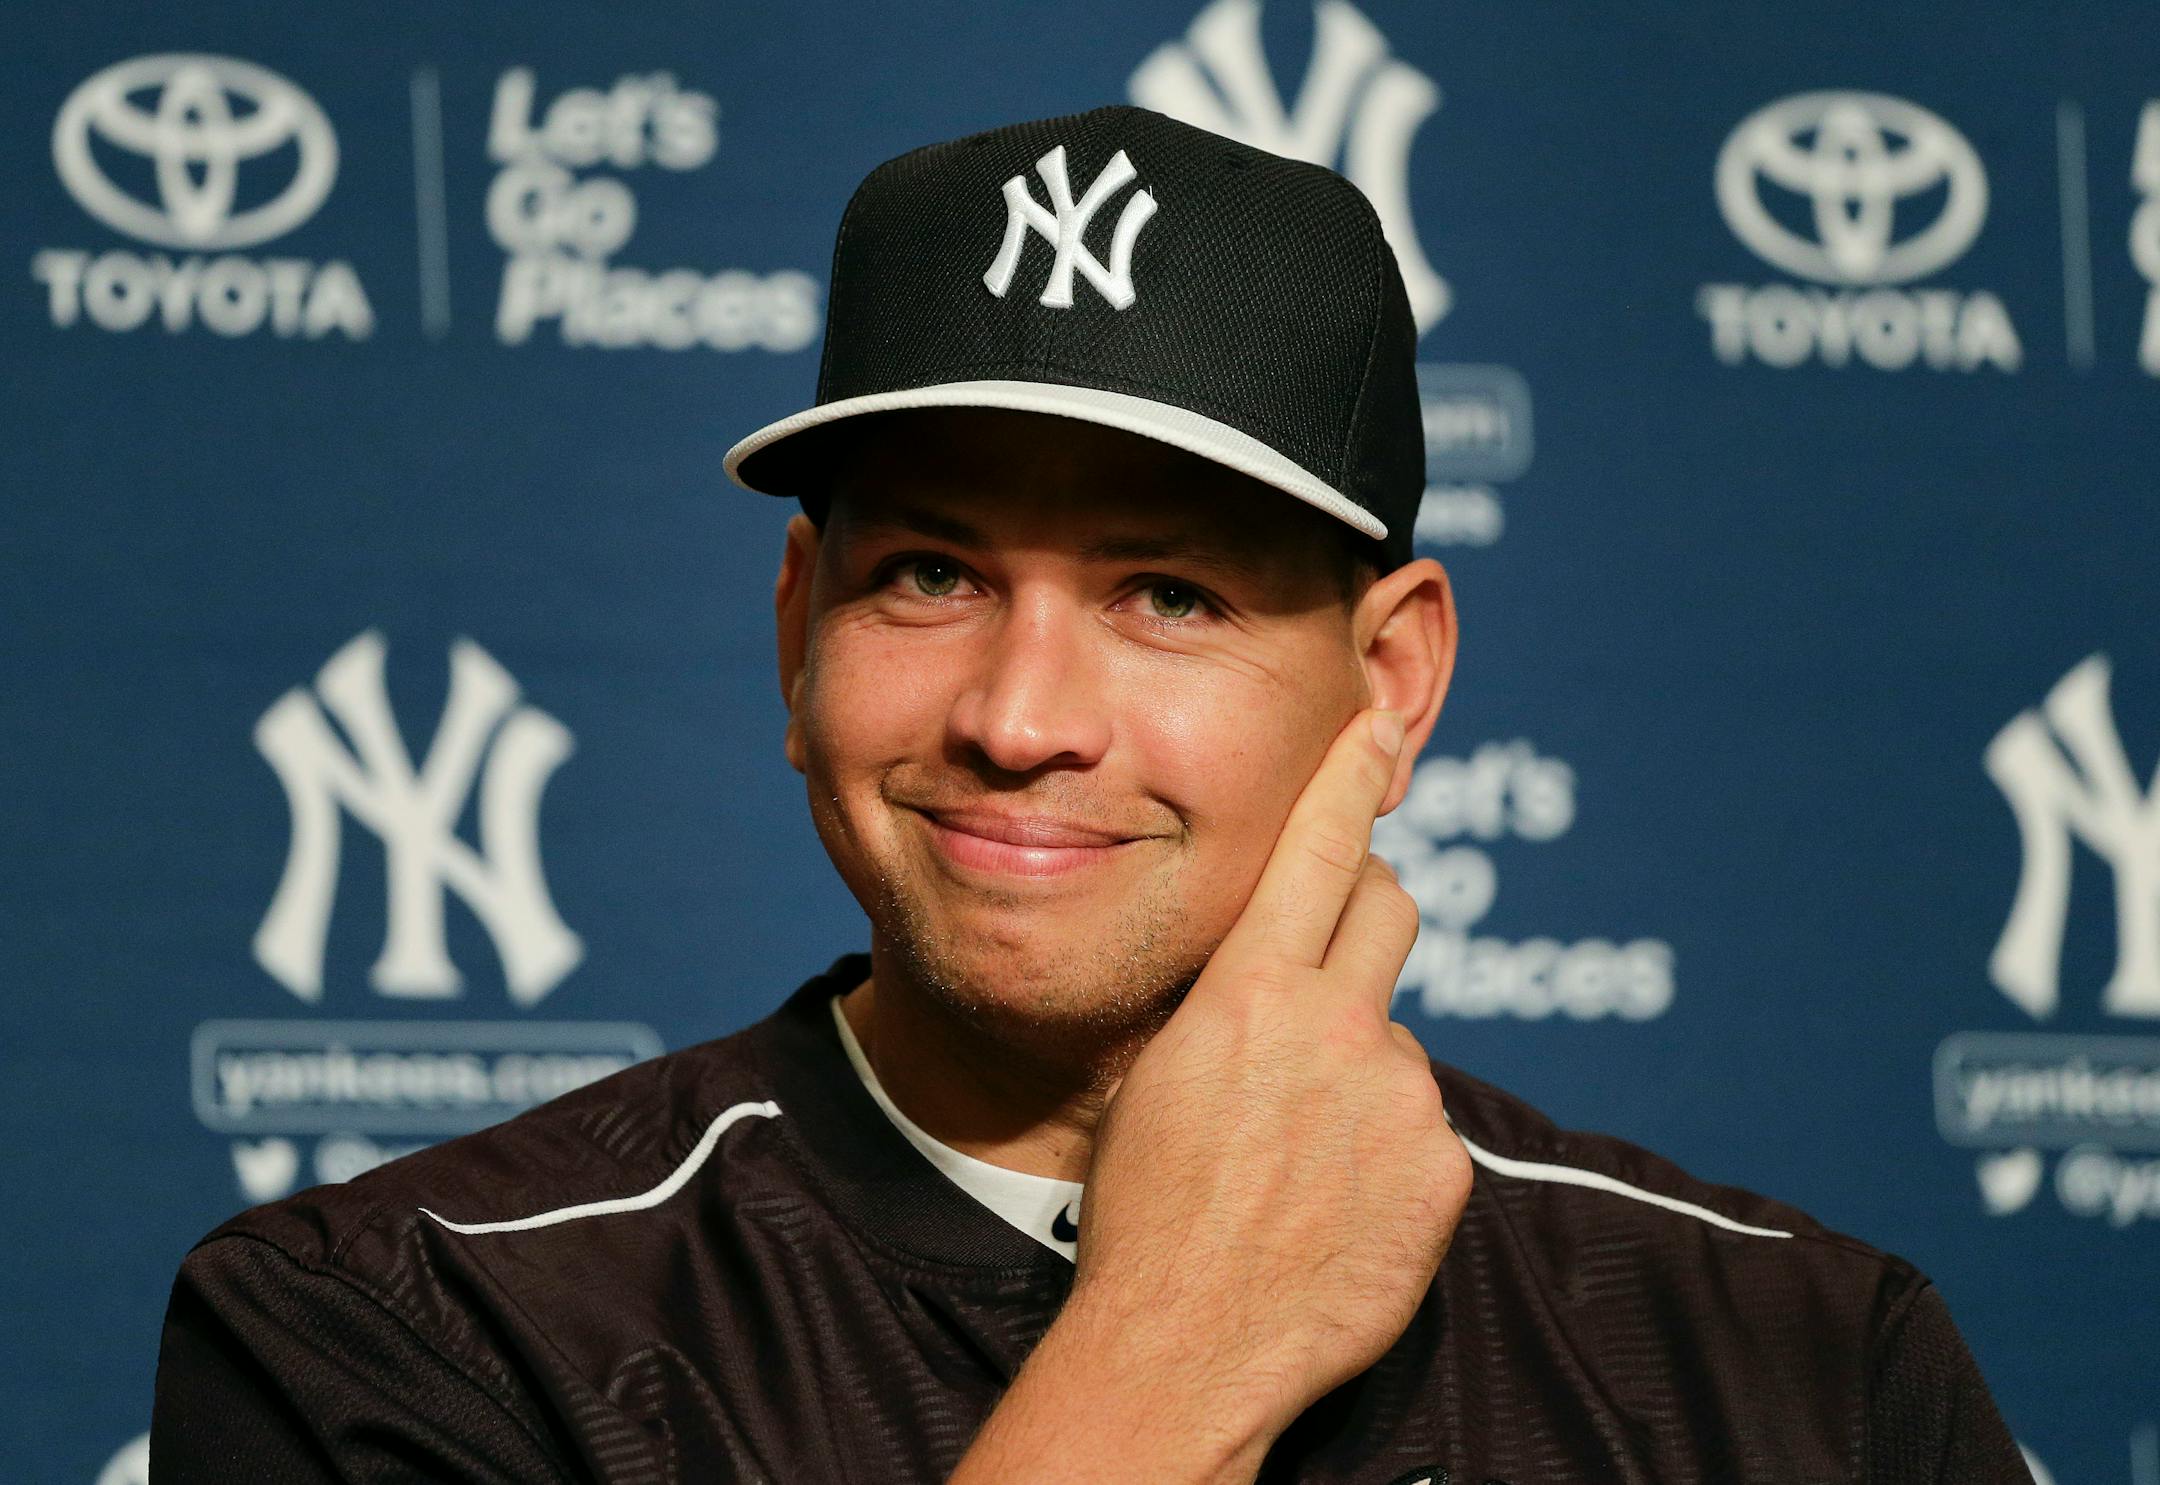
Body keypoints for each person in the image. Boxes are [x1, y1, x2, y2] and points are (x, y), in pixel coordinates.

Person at [151, 105, 2027, 1483]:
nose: (1021, 714)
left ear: (1391, 680)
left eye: (1169, 595)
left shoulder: (1799, 1370)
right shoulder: (403, 1333)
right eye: (931, 576)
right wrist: (1173, 1344)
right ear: (800, 622)